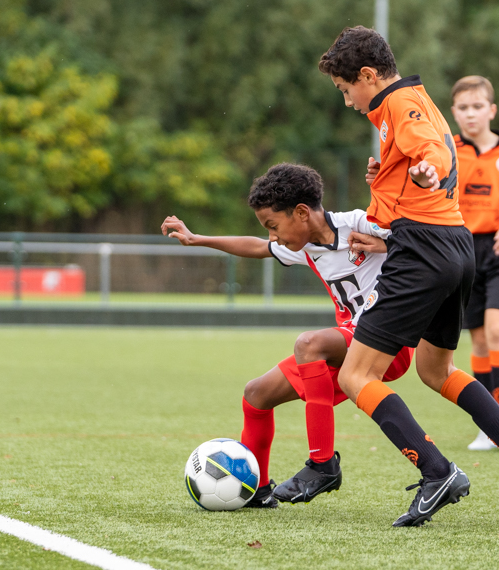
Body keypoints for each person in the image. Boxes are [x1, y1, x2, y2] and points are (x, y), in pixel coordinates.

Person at [320, 25, 499, 528]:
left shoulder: (399, 104)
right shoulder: (416, 98)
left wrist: (426, 168)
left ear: (367, 76)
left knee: (355, 375)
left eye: (345, 89)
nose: (347, 101)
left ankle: (437, 471)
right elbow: (421, 161)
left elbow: (434, 152)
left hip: (424, 250)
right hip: (454, 244)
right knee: (435, 370)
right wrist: (389, 179)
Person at [161, 163, 413, 508]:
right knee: (256, 395)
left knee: (309, 344)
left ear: (302, 213)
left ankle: (323, 464)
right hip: (347, 346)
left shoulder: (359, 224)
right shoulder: (305, 244)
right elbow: (256, 247)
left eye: (273, 226)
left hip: (386, 341)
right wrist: (197, 239)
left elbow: (420, 238)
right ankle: (258, 490)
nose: (273, 237)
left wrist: (386, 243)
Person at [450, 75, 499, 451]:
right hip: (464, 250)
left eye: (477, 106)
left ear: (492, 110)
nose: (471, 114)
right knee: (480, 339)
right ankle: (488, 424)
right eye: (463, 108)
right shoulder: (449, 149)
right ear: (454, 112)